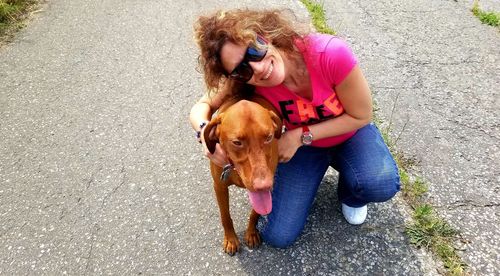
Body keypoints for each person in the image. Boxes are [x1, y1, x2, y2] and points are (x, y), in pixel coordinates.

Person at [189, 8, 400, 248]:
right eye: (241, 69)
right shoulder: (248, 80)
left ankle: (352, 194)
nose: (257, 69)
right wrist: (206, 136)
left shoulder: (330, 53)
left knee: (379, 182)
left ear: (264, 35)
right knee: (279, 237)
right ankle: (315, 175)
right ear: (235, 76)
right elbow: (201, 107)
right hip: (305, 151)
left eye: (254, 51)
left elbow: (361, 115)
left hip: (349, 134)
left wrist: (301, 135)